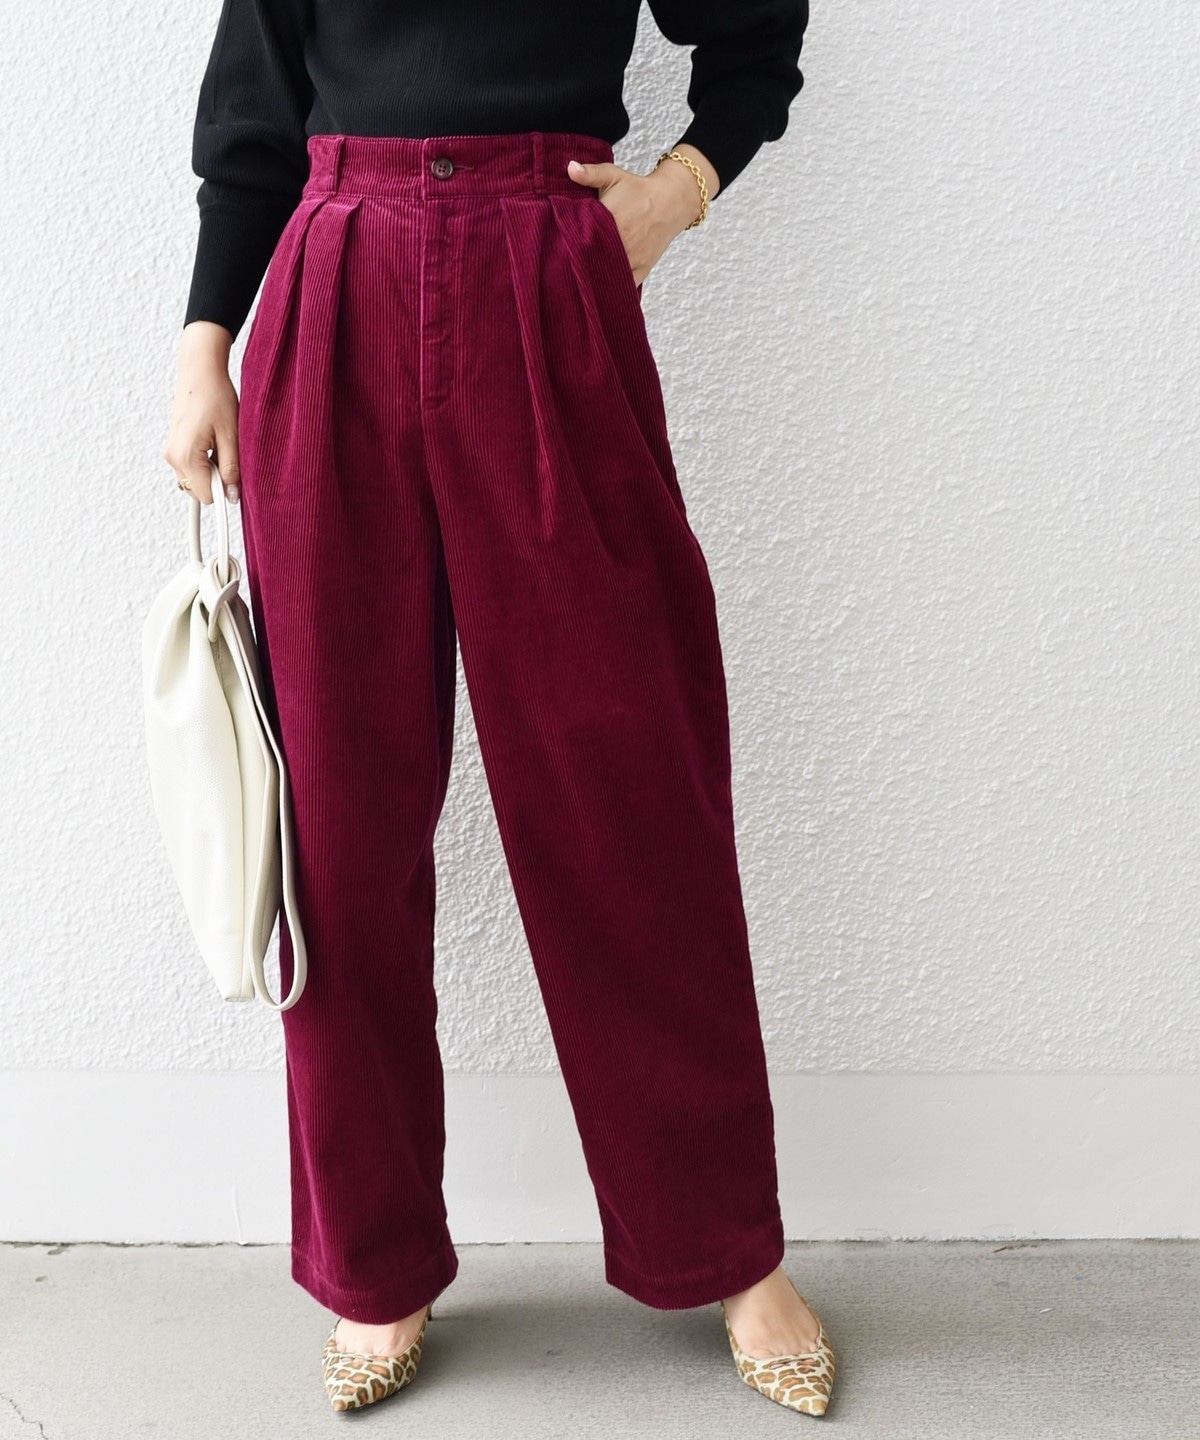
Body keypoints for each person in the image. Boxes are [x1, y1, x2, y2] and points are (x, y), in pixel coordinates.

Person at [162, 0, 835, 1418]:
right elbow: (252, 110)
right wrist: (203, 345)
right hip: (332, 291)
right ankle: (375, 1264)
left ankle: (727, 1247)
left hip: (547, 277)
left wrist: (680, 189)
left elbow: (756, 30)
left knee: (629, 801)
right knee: (336, 834)